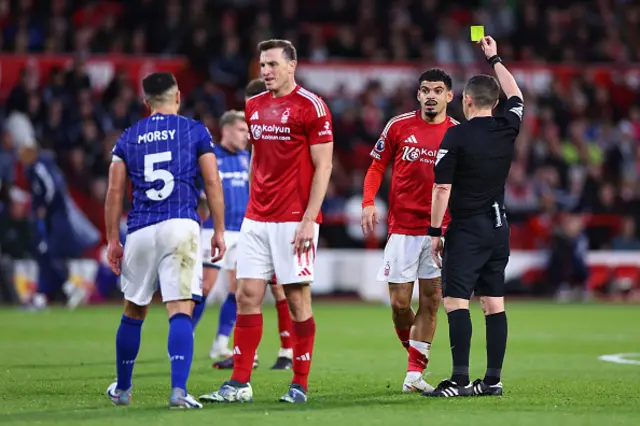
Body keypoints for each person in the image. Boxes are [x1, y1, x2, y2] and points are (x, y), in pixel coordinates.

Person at [198, 39, 333, 404]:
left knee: (295, 299)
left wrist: (309, 218)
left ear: (292, 66)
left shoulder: (312, 106)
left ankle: (299, 384)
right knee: (246, 296)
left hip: (294, 220)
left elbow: (324, 165)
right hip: (256, 218)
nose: (266, 71)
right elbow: (256, 157)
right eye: (262, 65)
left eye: (273, 64)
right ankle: (239, 384)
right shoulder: (254, 106)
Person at [104, 72, 226, 409]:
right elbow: (212, 183)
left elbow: (114, 192)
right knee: (180, 308)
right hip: (180, 225)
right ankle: (178, 391)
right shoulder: (195, 131)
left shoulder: (127, 138)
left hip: (141, 228)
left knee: (133, 309)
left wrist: (113, 240)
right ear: (178, 97)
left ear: (146, 102)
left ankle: (123, 390)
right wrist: (218, 229)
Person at [424, 36, 523, 398]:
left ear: (466, 101)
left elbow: (441, 190)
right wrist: (495, 57)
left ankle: (461, 380)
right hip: (499, 228)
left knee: (455, 302)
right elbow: (518, 96)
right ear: (495, 103)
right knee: (494, 303)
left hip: (467, 229)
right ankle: (492, 380)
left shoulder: (455, 136)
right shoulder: (507, 127)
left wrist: (435, 231)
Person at [361, 68, 457, 393]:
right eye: (425, 90)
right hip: (402, 229)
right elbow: (376, 165)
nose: (431, 95)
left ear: (449, 96)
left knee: (432, 300)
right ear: (418, 94)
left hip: (439, 232)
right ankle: (415, 352)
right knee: (400, 303)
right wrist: (367, 202)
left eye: (438, 90)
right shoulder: (398, 126)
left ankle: (413, 374)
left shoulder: (458, 133)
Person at [207, 80, 294, 372]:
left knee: (280, 288)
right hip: (252, 223)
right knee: (245, 289)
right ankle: (248, 354)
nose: (250, 112)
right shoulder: (251, 143)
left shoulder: (278, 134)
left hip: (278, 218)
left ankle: (287, 351)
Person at [20, 143, 100, 310]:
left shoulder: (40, 168)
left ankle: (62, 289)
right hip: (52, 219)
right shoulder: (39, 168)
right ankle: (64, 289)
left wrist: (43, 207)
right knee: (49, 254)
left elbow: (50, 188)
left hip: (53, 218)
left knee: (49, 253)